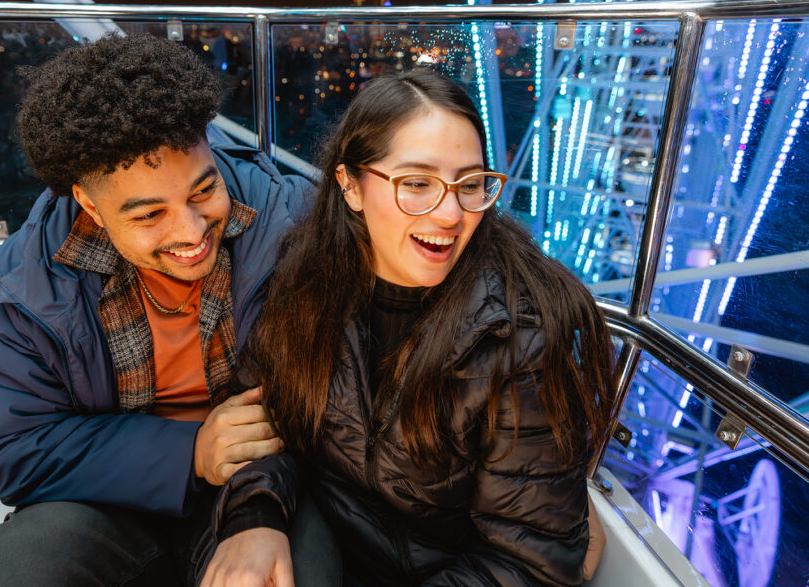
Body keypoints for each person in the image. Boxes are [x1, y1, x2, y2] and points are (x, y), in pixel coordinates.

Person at [0, 33, 337, 586]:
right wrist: (189, 453)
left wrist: (255, 506)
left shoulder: (290, 228)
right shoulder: (26, 283)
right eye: (150, 215)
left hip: (262, 484)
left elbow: (332, 397)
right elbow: (8, 447)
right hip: (104, 500)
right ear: (89, 205)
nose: (191, 233)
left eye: (202, 191)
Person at [202, 69, 616, 586]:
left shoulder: (519, 339)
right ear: (350, 186)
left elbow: (529, 561)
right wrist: (255, 517)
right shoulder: (306, 280)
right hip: (327, 541)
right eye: (417, 184)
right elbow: (264, 422)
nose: (450, 213)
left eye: (469, 185)